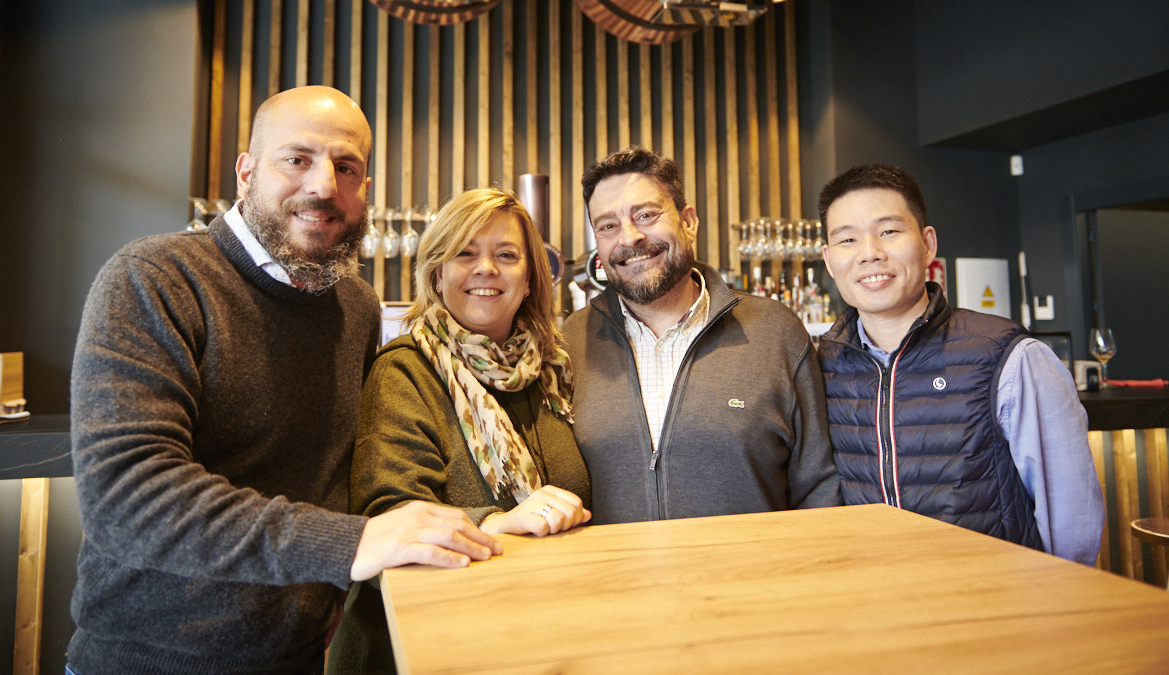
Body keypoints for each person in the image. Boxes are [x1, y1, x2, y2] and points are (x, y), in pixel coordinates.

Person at [67, 86, 500, 675]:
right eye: (297, 159)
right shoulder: (155, 277)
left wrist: (480, 521)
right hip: (149, 662)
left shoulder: (356, 306)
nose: (323, 185)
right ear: (246, 172)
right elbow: (126, 498)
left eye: (346, 167)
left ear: (365, 187)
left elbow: (350, 477)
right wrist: (349, 544)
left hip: (299, 657)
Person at [327, 188, 590, 673]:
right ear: (437, 275)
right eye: (465, 253)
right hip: (414, 649)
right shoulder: (405, 371)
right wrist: (492, 523)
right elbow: (386, 516)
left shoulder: (552, 373)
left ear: (529, 280)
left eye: (506, 255)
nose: (486, 268)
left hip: (527, 636)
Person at [817, 163, 1104, 565]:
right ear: (829, 260)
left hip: (992, 595)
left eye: (889, 231)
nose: (870, 253)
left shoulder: (1010, 357)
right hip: (875, 593)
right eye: (847, 239)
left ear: (927, 243)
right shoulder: (823, 366)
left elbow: (1072, 518)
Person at [562, 146, 839, 525]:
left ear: (688, 222)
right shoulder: (569, 342)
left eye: (646, 215)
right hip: (613, 566)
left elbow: (819, 487)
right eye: (608, 226)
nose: (630, 237)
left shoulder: (775, 330)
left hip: (753, 565)